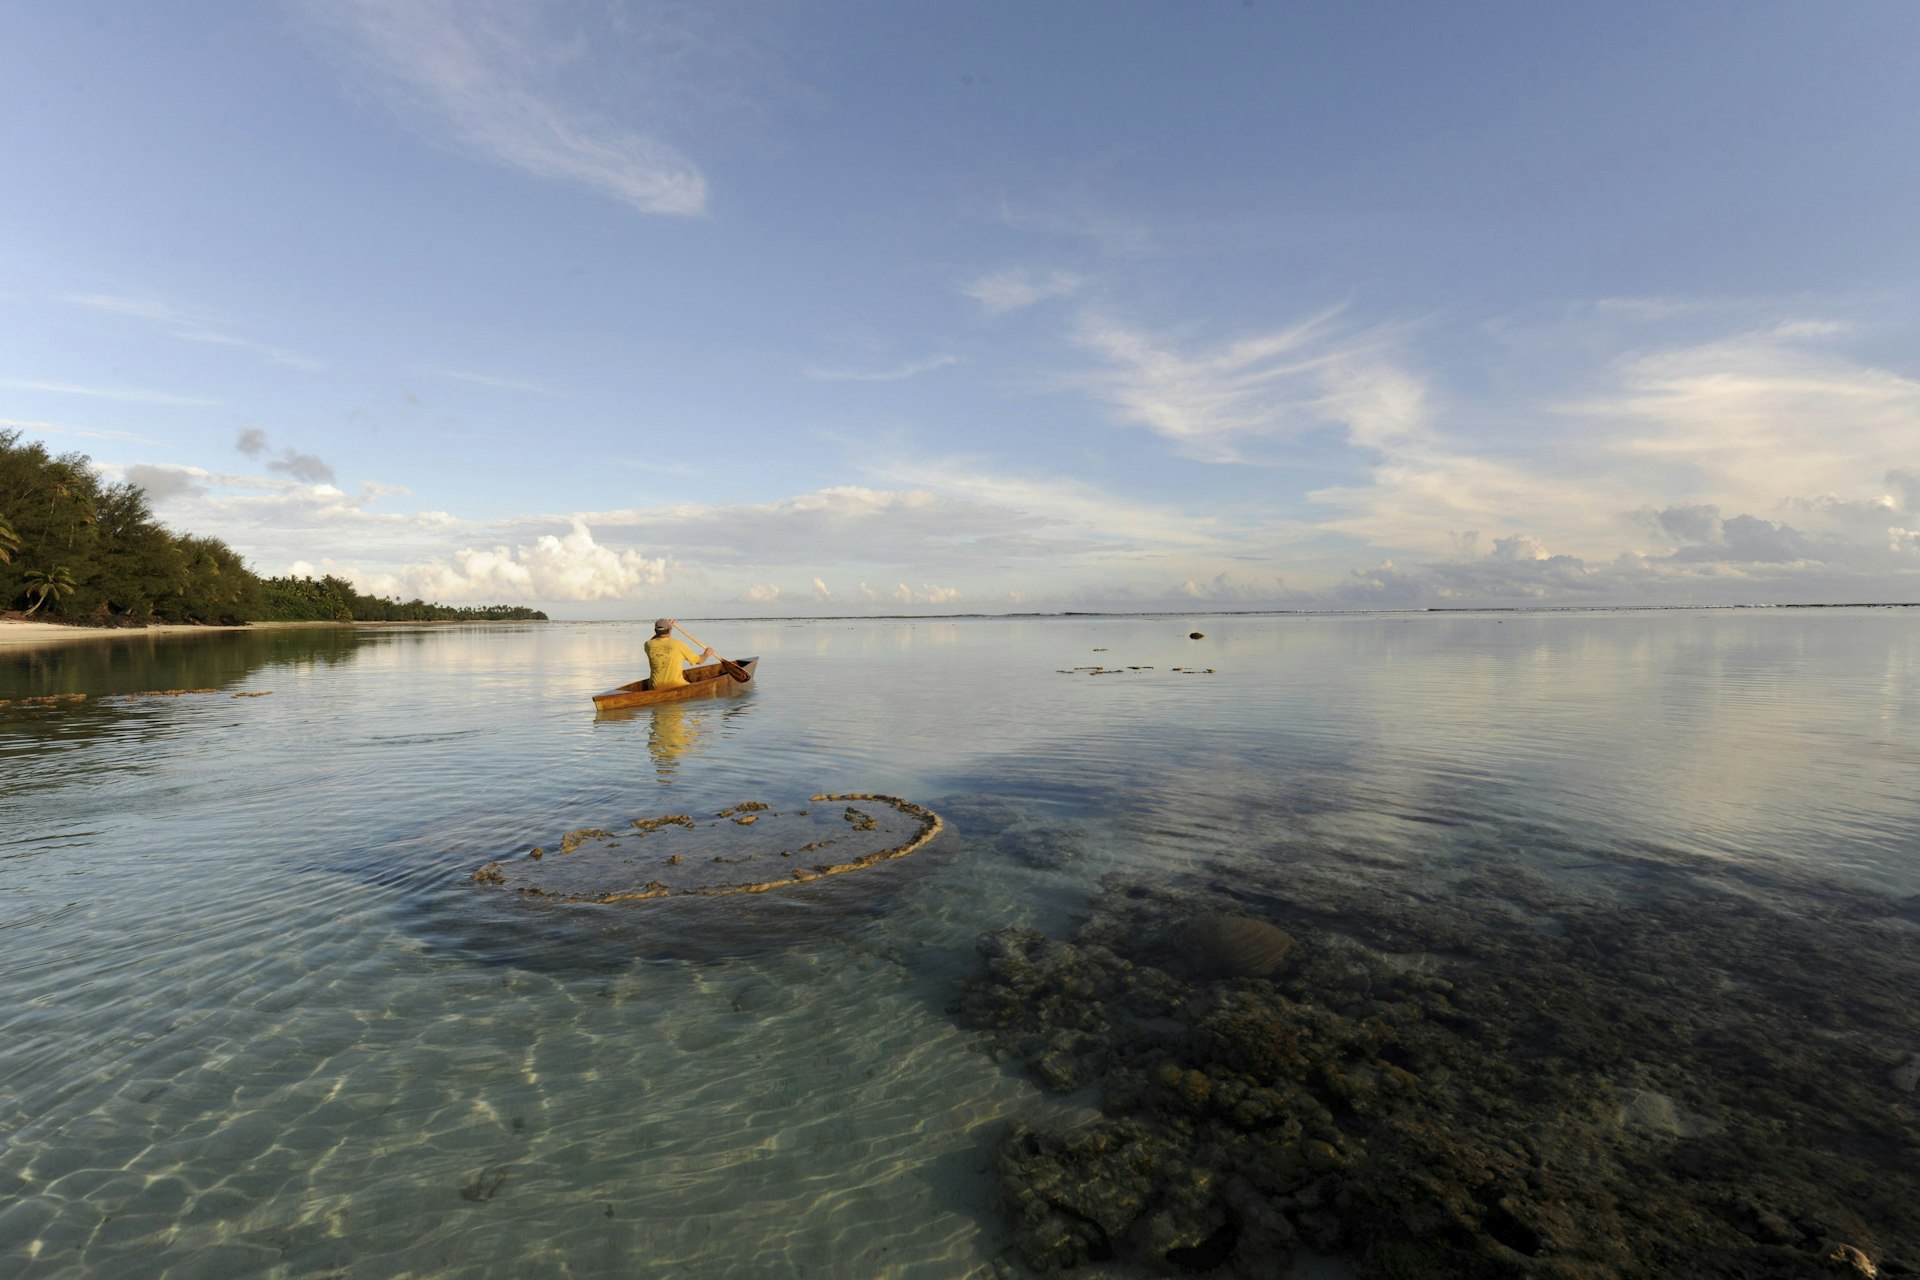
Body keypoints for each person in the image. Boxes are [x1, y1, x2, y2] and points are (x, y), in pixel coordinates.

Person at [643, 618, 712, 689]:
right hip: (676, 686)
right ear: (670, 630)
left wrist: (665, 628)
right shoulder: (678, 645)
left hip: (655, 687)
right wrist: (707, 654)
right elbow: (700, 661)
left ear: (655, 631)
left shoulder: (648, 645)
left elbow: (653, 640)